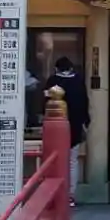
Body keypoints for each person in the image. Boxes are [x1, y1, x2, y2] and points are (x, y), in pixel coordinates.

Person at [42, 56, 90, 199]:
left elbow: (44, 102)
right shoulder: (78, 81)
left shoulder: (53, 81)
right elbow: (84, 103)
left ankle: (55, 194)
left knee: (55, 161)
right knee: (72, 161)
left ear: (56, 68)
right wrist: (85, 122)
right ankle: (70, 194)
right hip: (75, 126)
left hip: (54, 127)